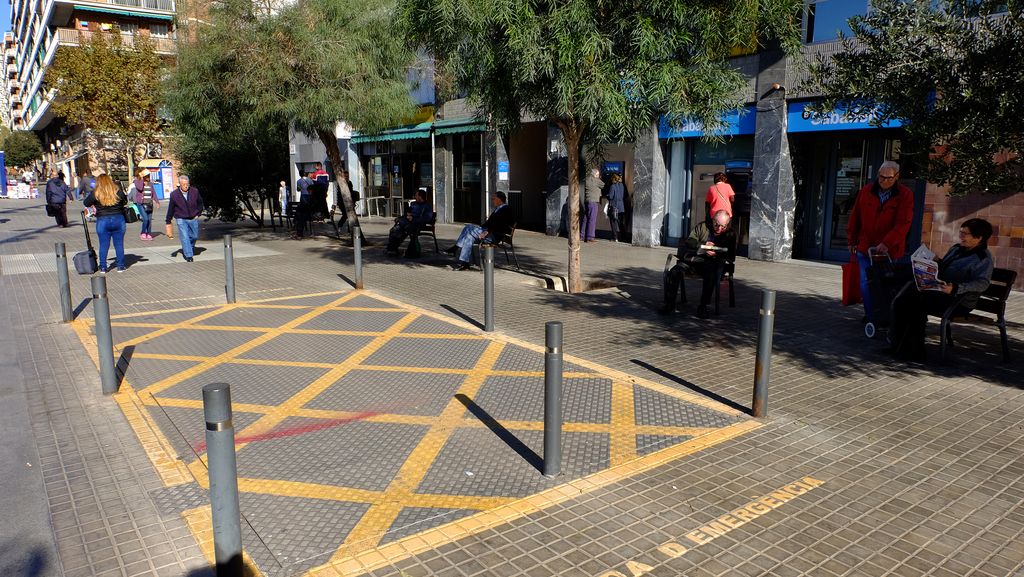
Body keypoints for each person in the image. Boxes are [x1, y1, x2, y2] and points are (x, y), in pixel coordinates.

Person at [887, 218, 994, 361]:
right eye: (960, 232)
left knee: (916, 303)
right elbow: (946, 268)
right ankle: (897, 344)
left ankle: (915, 351)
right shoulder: (957, 249)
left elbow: (983, 283)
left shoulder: (983, 258)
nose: (960, 236)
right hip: (940, 291)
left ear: (979, 238)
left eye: (965, 234)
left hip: (958, 300)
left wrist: (956, 288)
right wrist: (936, 262)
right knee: (903, 299)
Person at [847, 160, 915, 324]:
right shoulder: (866, 191)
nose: (885, 181)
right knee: (865, 282)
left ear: (897, 177)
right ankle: (872, 317)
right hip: (866, 245)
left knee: (885, 283)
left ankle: (883, 314)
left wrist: (887, 243)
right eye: (882, 177)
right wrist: (852, 239)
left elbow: (903, 223)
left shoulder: (905, 194)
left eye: (889, 178)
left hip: (888, 249)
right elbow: (855, 216)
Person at [660, 210, 738, 319]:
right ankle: (669, 304)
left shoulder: (730, 234)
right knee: (675, 271)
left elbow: (731, 255)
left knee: (711, 274)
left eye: (723, 227)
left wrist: (717, 253)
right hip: (695, 261)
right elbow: (690, 241)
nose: (719, 229)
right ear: (713, 220)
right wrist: (703, 245)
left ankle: (703, 306)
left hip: (713, 264)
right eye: (717, 225)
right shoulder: (703, 227)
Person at [445, 191, 515, 271]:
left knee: (469, 229)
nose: (492, 200)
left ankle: (456, 248)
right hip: (488, 232)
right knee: (469, 234)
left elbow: (501, 225)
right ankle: (465, 264)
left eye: (494, 198)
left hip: (494, 236)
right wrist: (480, 228)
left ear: (499, 199)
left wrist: (487, 231)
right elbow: (489, 223)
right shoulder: (499, 209)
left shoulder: (506, 209)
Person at [82, 174, 128, 273]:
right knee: (119, 244)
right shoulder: (117, 190)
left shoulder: (96, 193)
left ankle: (103, 267)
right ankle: (120, 266)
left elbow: (86, 203)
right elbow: (125, 201)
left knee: (103, 244)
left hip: (102, 220)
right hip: (118, 218)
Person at [165, 175, 205, 262]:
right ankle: (188, 255)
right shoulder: (174, 194)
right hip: (181, 218)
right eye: (183, 184)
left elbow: (200, 203)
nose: (186, 186)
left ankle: (189, 247)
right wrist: (168, 221)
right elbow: (171, 208)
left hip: (193, 217)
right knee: (185, 237)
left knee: (194, 236)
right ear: (179, 184)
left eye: (187, 184)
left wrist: (198, 213)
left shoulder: (195, 191)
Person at [385, 188, 433, 257]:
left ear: (420, 196)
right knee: (394, 230)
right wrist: (401, 218)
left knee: (404, 231)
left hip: (417, 224)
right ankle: (392, 249)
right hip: (407, 222)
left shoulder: (427, 206)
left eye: (416, 196)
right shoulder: (414, 204)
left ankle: (393, 249)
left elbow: (427, 218)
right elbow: (407, 213)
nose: (415, 197)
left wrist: (413, 219)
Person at [131, 169, 161, 240]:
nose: (148, 177)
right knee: (145, 219)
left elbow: (153, 193)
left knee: (149, 220)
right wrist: (141, 178)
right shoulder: (137, 182)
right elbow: (140, 188)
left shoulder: (150, 183)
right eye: (147, 175)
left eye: (148, 175)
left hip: (149, 204)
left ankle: (149, 233)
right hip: (141, 204)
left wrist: (157, 202)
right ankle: (143, 233)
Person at [581, 167, 603, 242]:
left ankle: (582, 235)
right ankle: (590, 237)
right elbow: (603, 185)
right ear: (595, 174)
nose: (598, 175)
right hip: (593, 202)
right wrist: (599, 178)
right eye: (598, 174)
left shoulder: (586, 179)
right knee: (592, 219)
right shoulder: (596, 180)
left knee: (585, 219)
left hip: (587, 201)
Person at [292, 171, 314, 239]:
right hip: (310, 200)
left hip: (303, 198)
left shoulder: (299, 181)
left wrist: (301, 188)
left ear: (299, 175)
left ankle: (299, 233)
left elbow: (298, 190)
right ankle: (299, 232)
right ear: (305, 174)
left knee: (300, 215)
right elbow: (313, 188)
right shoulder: (310, 180)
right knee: (302, 215)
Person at [605, 173, 626, 242]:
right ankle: (623, 237)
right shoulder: (622, 185)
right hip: (621, 207)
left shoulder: (612, 186)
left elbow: (611, 196)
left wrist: (607, 195)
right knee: (621, 223)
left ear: (613, 179)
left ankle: (615, 238)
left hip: (614, 207)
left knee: (613, 223)